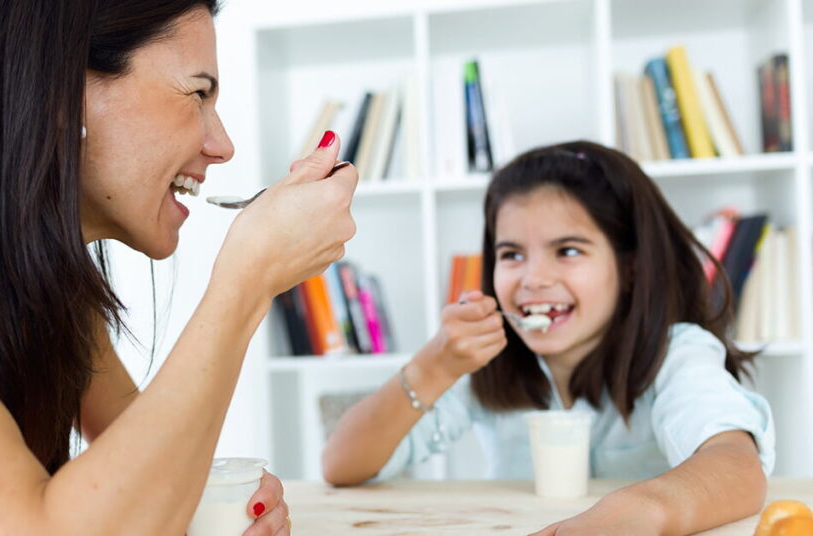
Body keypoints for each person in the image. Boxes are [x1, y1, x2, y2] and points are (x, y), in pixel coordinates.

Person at [0, 1, 357, 534]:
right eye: (197, 94)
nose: (222, 144)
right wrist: (246, 281)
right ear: (59, 98)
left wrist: (208, 505)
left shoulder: (40, 280)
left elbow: (141, 484)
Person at [322, 141, 774, 535]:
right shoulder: (486, 361)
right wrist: (432, 366)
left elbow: (737, 466)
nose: (534, 279)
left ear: (631, 267)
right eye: (512, 254)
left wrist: (637, 510)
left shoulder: (676, 354)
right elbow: (343, 465)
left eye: (568, 250)